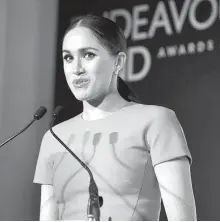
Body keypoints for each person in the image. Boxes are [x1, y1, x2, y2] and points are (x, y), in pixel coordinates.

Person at [33, 14, 197, 221]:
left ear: (118, 62)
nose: (76, 69)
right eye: (68, 57)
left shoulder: (156, 121)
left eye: (88, 55)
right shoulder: (54, 137)